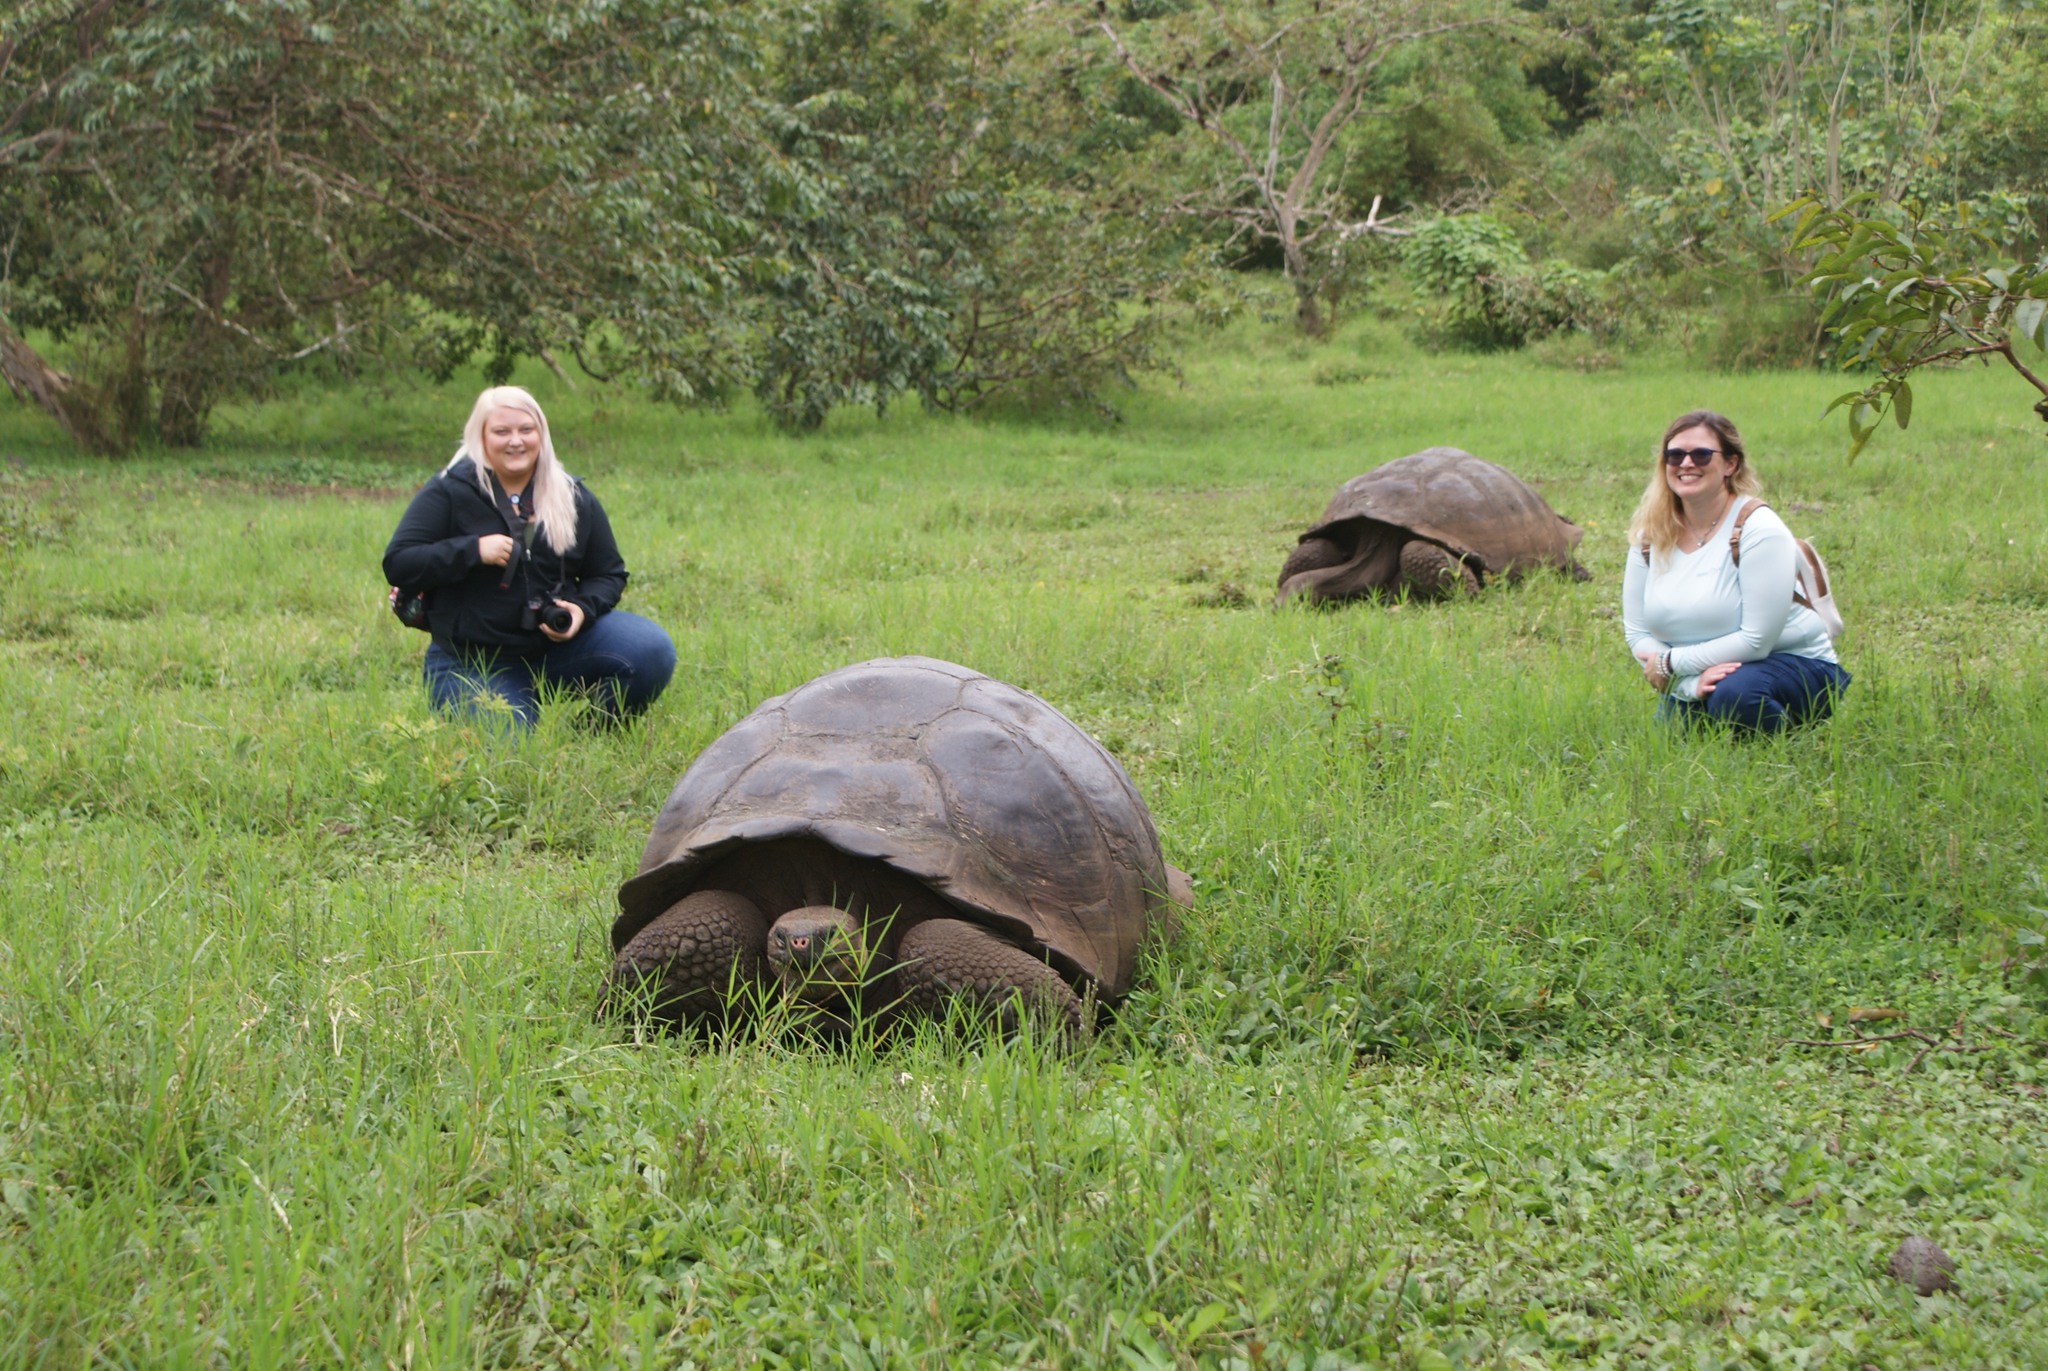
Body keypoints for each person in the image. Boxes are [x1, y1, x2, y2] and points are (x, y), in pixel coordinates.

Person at [383, 385, 675, 727]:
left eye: (526, 430)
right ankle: (512, 705)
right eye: (501, 431)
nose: (515, 441)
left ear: (541, 434)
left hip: (555, 650)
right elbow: (399, 562)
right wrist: (473, 550)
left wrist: (581, 609)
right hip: (473, 659)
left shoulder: (570, 495)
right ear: (481, 436)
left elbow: (608, 573)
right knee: (513, 757)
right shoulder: (449, 491)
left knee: (652, 650)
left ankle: (592, 735)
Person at [1622, 410, 1848, 734]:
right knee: (1672, 735)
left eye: (1701, 454)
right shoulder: (1650, 535)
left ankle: (1789, 746)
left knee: (1734, 696)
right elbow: (1637, 633)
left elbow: (1757, 641)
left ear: (1731, 464)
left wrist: (1670, 665)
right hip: (1703, 674)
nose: (1686, 463)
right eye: (1674, 455)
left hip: (1792, 664)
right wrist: (1688, 685)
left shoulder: (1759, 528)